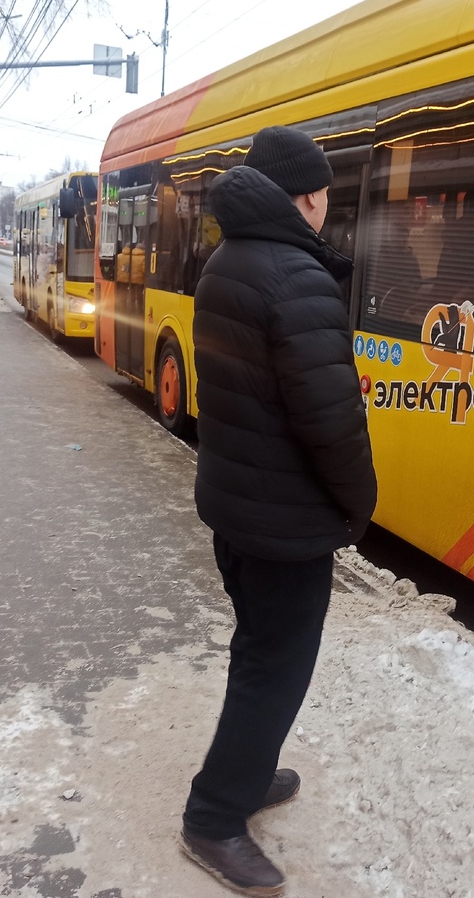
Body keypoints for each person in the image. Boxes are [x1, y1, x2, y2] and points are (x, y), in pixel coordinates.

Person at [180, 125, 378, 897]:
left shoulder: (227, 261)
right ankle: (214, 816)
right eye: (326, 191)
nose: (329, 204)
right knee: (277, 668)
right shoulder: (295, 277)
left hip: (241, 511)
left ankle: (246, 772)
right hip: (285, 524)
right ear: (307, 196)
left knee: (258, 653)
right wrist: (360, 505)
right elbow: (333, 420)